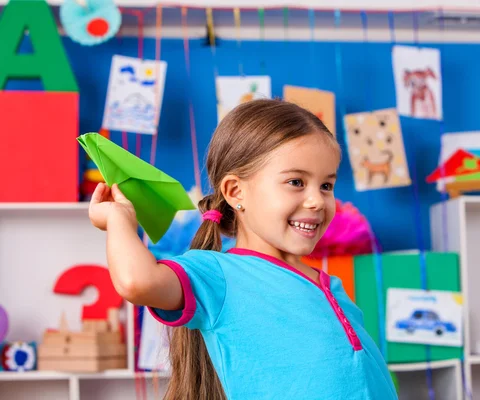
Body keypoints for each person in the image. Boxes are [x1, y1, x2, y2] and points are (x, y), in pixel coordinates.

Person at [88, 99, 398, 400]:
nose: (317, 200)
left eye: (326, 186)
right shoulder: (218, 274)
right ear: (236, 192)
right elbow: (137, 282)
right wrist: (118, 219)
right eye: (296, 182)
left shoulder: (331, 285)